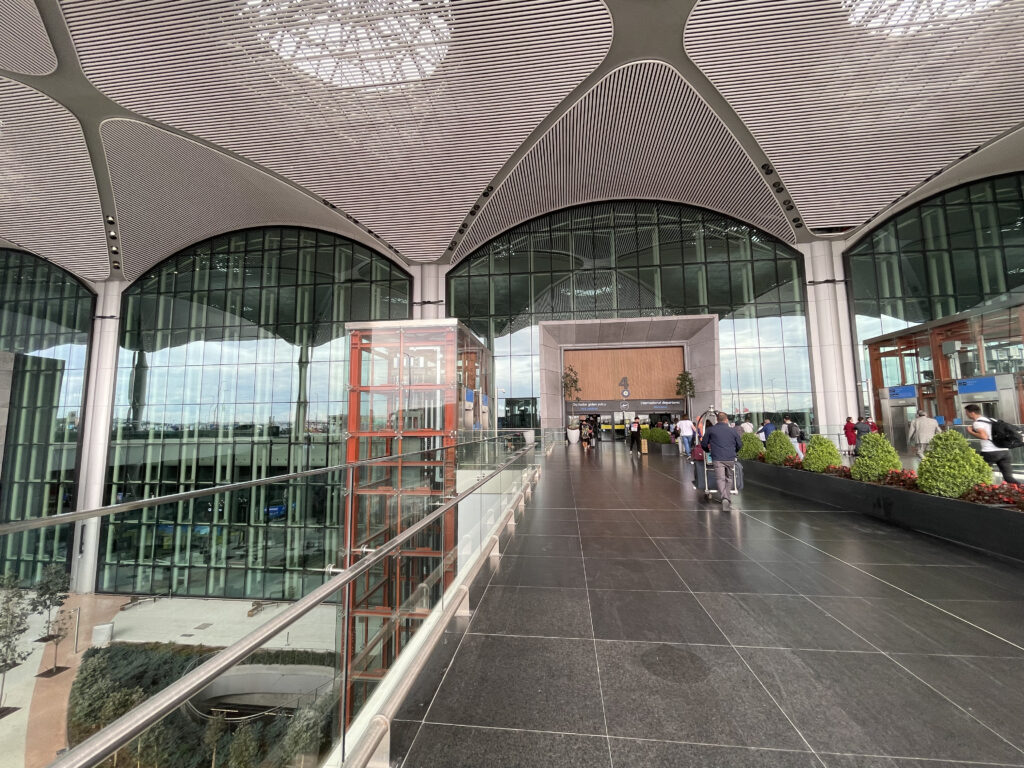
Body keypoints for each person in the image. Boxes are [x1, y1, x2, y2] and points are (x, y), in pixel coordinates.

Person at [700, 412, 743, 511]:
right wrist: (734, 451)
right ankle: (727, 498)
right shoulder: (732, 431)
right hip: (730, 457)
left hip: (717, 457)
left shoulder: (711, 430)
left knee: (720, 478)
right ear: (726, 419)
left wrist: (707, 450)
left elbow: (704, 443)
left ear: (717, 420)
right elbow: (739, 444)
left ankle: (724, 497)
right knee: (729, 478)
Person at [965, 404, 1017, 484]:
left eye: (967, 413)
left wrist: (970, 431)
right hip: (1005, 451)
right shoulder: (992, 420)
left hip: (990, 452)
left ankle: (982, 492)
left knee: (979, 474)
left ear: (972, 413)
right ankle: (1021, 490)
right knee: (1008, 477)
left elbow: (984, 436)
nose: (966, 415)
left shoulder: (977, 423)